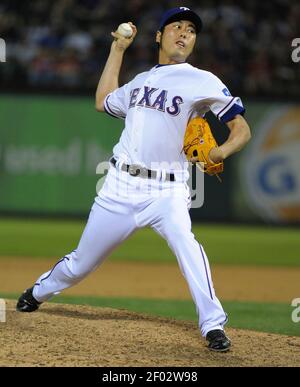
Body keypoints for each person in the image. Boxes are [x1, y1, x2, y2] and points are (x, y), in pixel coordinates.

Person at [16, 7, 251, 352]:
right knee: (82, 263)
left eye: (191, 30)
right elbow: (103, 101)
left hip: (168, 189)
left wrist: (220, 152)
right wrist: (117, 50)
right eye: (176, 27)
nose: (184, 33)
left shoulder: (203, 80)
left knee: (186, 243)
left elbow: (241, 130)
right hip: (120, 186)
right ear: (159, 36)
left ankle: (212, 324)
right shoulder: (141, 81)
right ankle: (37, 292)